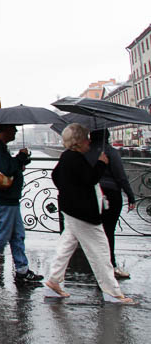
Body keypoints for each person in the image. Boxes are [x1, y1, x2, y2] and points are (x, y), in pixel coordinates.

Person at [44, 124, 134, 303]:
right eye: (86, 139)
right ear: (78, 141)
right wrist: (101, 163)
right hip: (83, 211)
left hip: (70, 209)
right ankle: (112, 292)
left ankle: (53, 282)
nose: (89, 142)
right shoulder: (77, 158)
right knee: (100, 249)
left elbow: (56, 177)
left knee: (66, 245)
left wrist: (69, 191)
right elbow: (90, 179)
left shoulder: (66, 156)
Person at [0, 124, 43, 285]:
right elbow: (7, 168)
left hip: (8, 198)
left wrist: (19, 161)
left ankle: (22, 270)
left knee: (17, 234)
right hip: (3, 199)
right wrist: (20, 158)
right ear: (5, 130)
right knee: (2, 234)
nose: (16, 131)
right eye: (13, 129)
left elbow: (7, 166)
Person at [85, 129, 136, 279]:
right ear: (106, 137)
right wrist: (130, 196)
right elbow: (121, 176)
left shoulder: (85, 152)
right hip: (110, 194)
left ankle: (97, 265)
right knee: (108, 231)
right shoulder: (110, 152)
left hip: (90, 195)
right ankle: (110, 265)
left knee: (94, 232)